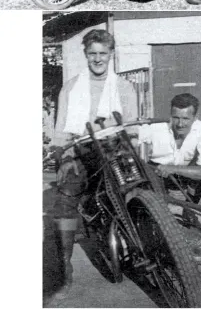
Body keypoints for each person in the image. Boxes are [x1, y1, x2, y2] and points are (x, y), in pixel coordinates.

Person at [48, 29, 138, 294]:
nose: (98, 59)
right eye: (92, 54)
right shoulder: (71, 87)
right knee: (66, 199)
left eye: (103, 53)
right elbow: (61, 130)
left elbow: (131, 127)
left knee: (134, 193)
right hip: (78, 150)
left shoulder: (124, 87)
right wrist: (64, 157)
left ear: (111, 55)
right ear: (85, 55)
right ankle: (65, 265)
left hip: (112, 151)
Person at [139, 93, 201, 180]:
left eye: (185, 119)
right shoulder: (157, 127)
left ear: (195, 117)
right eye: (176, 118)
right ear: (171, 115)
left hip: (186, 177)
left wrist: (172, 169)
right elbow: (130, 139)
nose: (180, 124)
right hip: (156, 175)